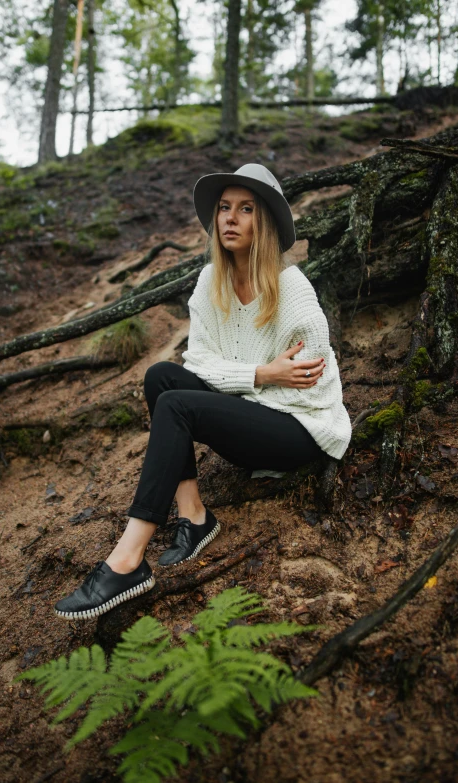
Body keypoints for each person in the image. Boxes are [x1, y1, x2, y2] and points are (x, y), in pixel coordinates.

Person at [54, 163, 352, 621]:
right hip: (256, 405)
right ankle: (194, 518)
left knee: (177, 404)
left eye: (245, 209)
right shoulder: (210, 281)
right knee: (161, 377)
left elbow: (306, 384)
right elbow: (199, 362)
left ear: (264, 222)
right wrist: (260, 374)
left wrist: (248, 388)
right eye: (224, 208)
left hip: (301, 430)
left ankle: (127, 560)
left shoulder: (291, 287)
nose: (230, 218)